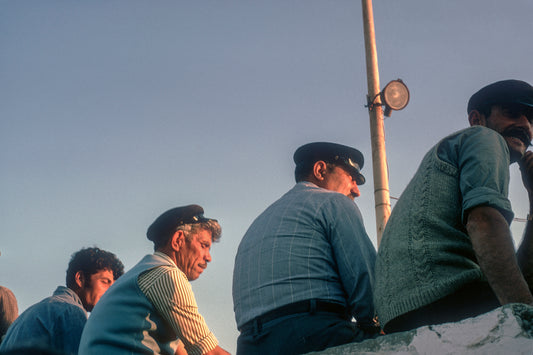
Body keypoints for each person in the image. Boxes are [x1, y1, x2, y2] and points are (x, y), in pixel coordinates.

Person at [374, 79, 533, 333]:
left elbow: (520, 274)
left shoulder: (454, 151)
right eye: (512, 113)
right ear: (477, 119)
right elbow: (484, 221)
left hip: (406, 310)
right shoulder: (485, 137)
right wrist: (526, 324)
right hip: (441, 299)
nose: (525, 125)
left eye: (531, 119)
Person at [232, 142, 379, 355]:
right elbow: (364, 281)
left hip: (249, 344)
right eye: (351, 177)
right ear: (320, 170)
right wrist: (378, 325)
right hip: (313, 334)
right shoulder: (334, 202)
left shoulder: (257, 224)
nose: (356, 190)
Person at [79, 204, 230, 355]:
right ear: (178, 240)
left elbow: (180, 351)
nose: (208, 257)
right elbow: (208, 352)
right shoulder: (166, 275)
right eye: (204, 245)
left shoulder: (144, 272)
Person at [0, 247, 124, 355]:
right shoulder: (71, 311)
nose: (110, 291)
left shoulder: (38, 310)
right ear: (80, 279)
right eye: (105, 282)